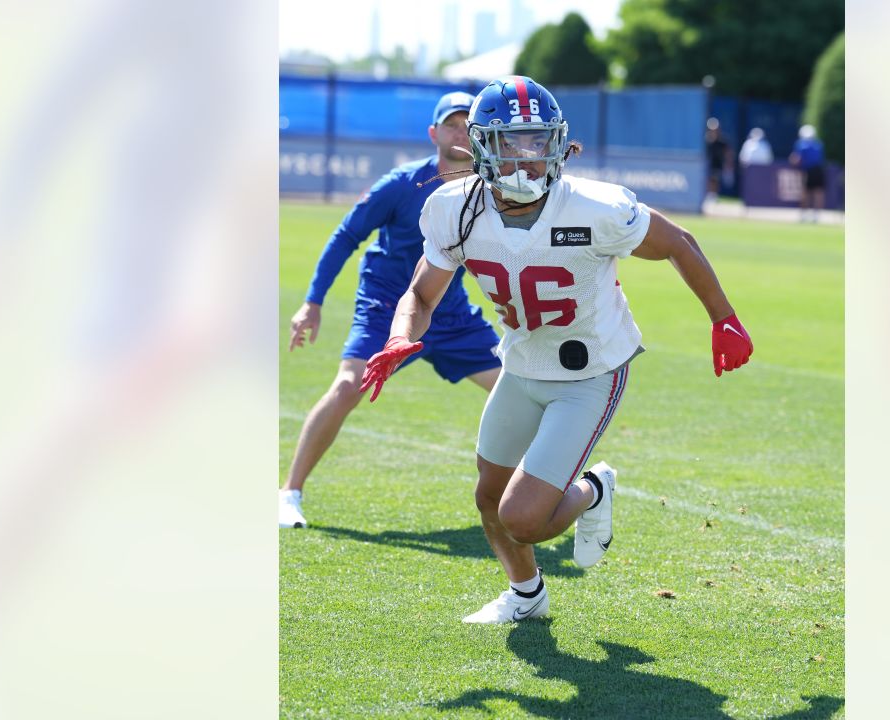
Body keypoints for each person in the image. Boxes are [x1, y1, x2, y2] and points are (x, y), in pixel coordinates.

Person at [358, 76, 754, 624]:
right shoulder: (455, 208)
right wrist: (402, 333)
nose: (527, 157)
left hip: (590, 369)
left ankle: (593, 488)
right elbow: (422, 292)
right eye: (511, 142)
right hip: (520, 364)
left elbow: (678, 243)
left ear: (559, 143)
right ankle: (527, 596)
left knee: (521, 517)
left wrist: (723, 318)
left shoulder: (594, 207)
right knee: (488, 499)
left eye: (538, 141)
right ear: (479, 147)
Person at [280, 91, 503, 528]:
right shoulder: (401, 184)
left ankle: (549, 493)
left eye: (467, 125)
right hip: (386, 305)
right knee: (347, 388)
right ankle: (289, 492)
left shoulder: (485, 187)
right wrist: (312, 302)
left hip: (449, 310)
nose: (460, 133)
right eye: (451, 125)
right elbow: (346, 236)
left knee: (520, 391)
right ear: (433, 133)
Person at [789, 124, 827, 223]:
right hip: (819, 170)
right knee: (818, 193)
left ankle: (804, 215)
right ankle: (816, 216)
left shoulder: (801, 144)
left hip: (808, 171)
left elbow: (796, 159)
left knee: (805, 193)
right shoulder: (819, 144)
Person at [704, 117, 734, 202]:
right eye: (711, 128)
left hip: (717, 164)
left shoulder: (722, 141)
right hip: (707, 163)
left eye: (715, 129)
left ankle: (712, 196)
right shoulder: (706, 140)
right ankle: (708, 195)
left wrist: (728, 164)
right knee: (708, 179)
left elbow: (728, 153)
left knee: (714, 179)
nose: (713, 130)